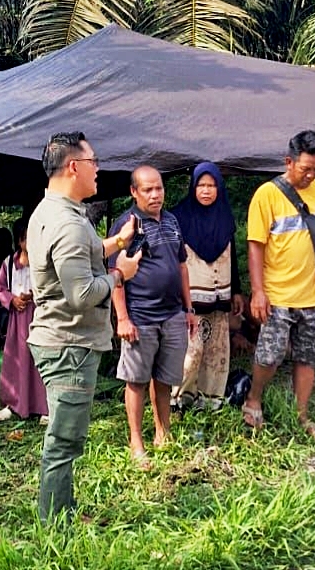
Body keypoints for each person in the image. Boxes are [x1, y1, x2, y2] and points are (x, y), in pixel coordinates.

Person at [27, 131, 141, 523]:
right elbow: (81, 293)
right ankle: (55, 525)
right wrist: (119, 275)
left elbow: (79, 256)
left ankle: (62, 511)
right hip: (70, 344)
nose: (99, 170)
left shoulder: (53, 211)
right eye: (94, 162)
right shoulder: (69, 223)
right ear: (74, 167)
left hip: (60, 338)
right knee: (63, 442)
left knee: (65, 438)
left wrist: (116, 242)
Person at [242, 130, 315, 443]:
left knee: (309, 357)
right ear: (288, 161)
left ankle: (301, 414)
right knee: (270, 354)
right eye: (305, 168)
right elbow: (256, 246)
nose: (311, 175)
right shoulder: (267, 195)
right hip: (278, 292)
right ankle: (254, 399)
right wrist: (258, 291)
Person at [109, 166, 196, 469]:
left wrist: (189, 309)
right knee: (135, 380)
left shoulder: (172, 221)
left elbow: (182, 266)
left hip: (173, 314)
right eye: (148, 189)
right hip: (141, 316)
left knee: (165, 378)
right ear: (134, 192)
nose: (155, 194)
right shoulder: (126, 226)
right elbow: (115, 274)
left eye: (158, 188)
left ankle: (163, 432)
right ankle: (136, 441)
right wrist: (122, 318)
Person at [171, 162, 243, 411]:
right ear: (193, 187)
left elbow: (231, 256)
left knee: (217, 351)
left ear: (219, 188)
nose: (206, 191)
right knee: (191, 352)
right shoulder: (179, 217)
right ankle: (179, 400)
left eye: (211, 185)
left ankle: (210, 400)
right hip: (191, 298)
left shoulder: (224, 217)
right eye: (201, 185)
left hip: (220, 295)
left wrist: (236, 291)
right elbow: (173, 261)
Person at [0, 218, 48, 424]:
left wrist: (35, 295)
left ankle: (43, 407)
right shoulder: (8, 264)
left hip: (39, 315)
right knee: (16, 358)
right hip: (18, 318)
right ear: (19, 241)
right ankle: (14, 403)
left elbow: (51, 286)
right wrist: (12, 300)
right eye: (26, 239)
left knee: (40, 359)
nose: (30, 244)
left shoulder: (42, 263)